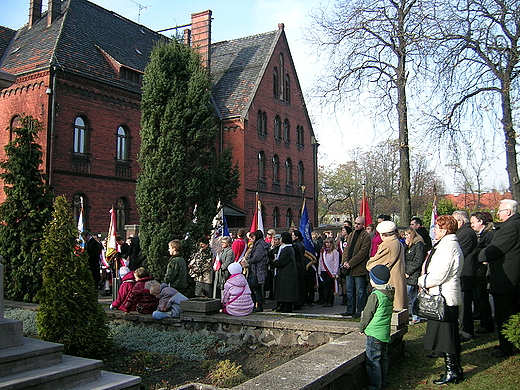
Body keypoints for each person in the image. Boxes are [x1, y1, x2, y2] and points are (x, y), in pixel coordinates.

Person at [418, 215, 464, 385]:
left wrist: (422, 281)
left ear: (444, 230)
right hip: (443, 295)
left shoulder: (448, 247)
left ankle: (452, 371)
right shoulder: (445, 245)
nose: (434, 230)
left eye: (437, 228)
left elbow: (440, 274)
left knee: (447, 337)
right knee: (447, 336)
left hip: (445, 297)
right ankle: (454, 369)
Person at [478, 199, 520, 357]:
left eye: (500, 211)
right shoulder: (512, 225)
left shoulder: (511, 226)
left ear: (508, 212)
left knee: (505, 313)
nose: (498, 214)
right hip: (507, 276)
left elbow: (496, 249)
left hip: (506, 277)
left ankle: (507, 346)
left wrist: (482, 255)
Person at [359, 265, 394, 390]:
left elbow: (368, 313)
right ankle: (383, 382)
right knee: (383, 359)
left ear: (375, 280)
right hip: (384, 333)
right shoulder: (389, 293)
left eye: (371, 278)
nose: (370, 281)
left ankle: (375, 385)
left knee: (373, 361)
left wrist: (361, 327)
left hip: (374, 334)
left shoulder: (376, 295)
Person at [367, 220, 408, 312]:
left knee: (391, 313)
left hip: (391, 282)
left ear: (383, 234)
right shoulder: (397, 242)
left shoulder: (387, 245)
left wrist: (369, 263)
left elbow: (374, 264)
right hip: (398, 281)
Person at [452, 210, 478, 342]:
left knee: (464, 305)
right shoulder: (464, 232)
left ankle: (466, 331)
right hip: (464, 273)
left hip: (465, 273)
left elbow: (458, 252)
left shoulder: (465, 233)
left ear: (460, 222)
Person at [341, 216, 372, 318]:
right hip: (348, 268)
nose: (356, 225)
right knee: (349, 290)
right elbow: (346, 249)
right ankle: (350, 309)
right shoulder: (351, 235)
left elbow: (362, 253)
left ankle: (360, 310)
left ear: (363, 225)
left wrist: (351, 263)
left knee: (360, 291)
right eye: (355, 223)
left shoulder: (366, 236)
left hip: (359, 268)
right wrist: (345, 261)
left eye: (359, 224)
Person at [470, 211, 495, 334]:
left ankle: (487, 323)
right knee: (478, 296)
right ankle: (480, 315)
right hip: (479, 270)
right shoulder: (481, 234)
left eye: (473, 222)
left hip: (483, 271)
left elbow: (486, 252)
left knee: (482, 298)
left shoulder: (488, 235)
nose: (472, 225)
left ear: (481, 221)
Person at [271, 232, 300, 313]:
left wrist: (274, 262)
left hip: (287, 274)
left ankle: (287, 308)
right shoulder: (284, 248)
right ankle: (282, 306)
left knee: (287, 293)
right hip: (284, 273)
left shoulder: (288, 249)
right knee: (283, 292)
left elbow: (281, 262)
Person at [242, 230, 269, 312]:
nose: (251, 239)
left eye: (252, 237)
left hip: (257, 270)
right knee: (252, 288)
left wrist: (248, 261)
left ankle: (259, 305)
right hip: (253, 269)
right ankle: (253, 304)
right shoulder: (256, 245)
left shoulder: (260, 245)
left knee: (256, 288)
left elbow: (257, 257)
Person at [404, 227, 426, 324]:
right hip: (407, 272)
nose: (406, 237)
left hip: (413, 274)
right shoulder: (409, 246)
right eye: (405, 235)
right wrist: (405, 245)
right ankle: (415, 316)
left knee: (409, 295)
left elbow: (418, 260)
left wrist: (408, 272)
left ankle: (415, 316)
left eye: (408, 234)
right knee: (413, 297)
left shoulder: (419, 245)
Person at [318, 237, 339, 307]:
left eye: (329, 242)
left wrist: (335, 272)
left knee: (330, 287)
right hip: (323, 270)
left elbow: (336, 262)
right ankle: (325, 300)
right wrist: (319, 270)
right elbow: (320, 261)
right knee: (325, 287)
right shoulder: (323, 251)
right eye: (326, 242)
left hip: (331, 271)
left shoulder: (335, 252)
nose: (327, 244)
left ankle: (330, 301)